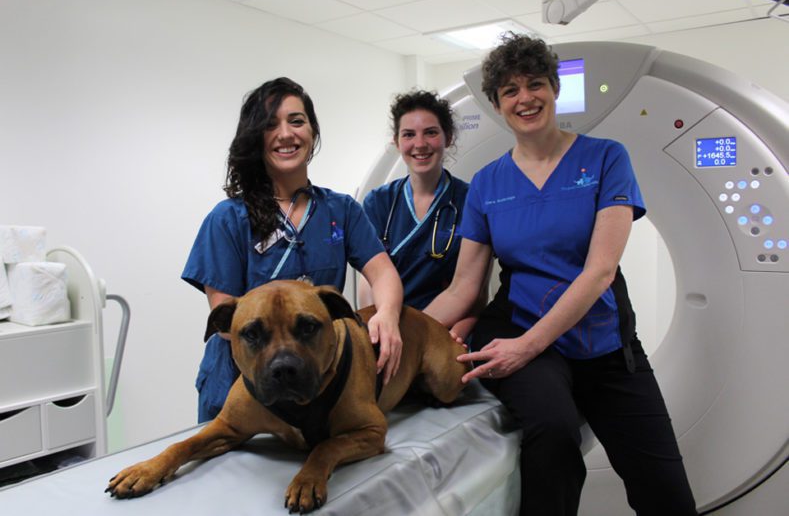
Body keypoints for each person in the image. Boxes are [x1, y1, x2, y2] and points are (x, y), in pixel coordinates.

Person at [423, 34, 697, 515]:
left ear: (554, 89)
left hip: (603, 341)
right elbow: (464, 287)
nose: (524, 98)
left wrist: (524, 349)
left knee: (666, 491)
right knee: (552, 432)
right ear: (495, 104)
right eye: (510, 90)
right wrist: (396, 333)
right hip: (520, 326)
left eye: (535, 84)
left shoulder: (606, 158)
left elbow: (598, 273)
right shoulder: (488, 182)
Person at [182, 77, 403, 423]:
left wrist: (387, 315)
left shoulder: (340, 210)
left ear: (312, 131)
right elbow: (227, 315)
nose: (286, 134)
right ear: (256, 137)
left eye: (296, 121)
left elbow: (383, 272)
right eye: (271, 125)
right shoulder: (227, 219)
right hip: (240, 389)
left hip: (315, 387)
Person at [359, 90, 482, 339]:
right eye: (409, 135)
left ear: (447, 137)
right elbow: (368, 284)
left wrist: (456, 332)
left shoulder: (471, 200)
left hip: (443, 329)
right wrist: (377, 329)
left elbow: (474, 291)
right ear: (397, 142)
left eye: (431, 132)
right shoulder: (379, 202)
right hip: (386, 327)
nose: (420, 144)